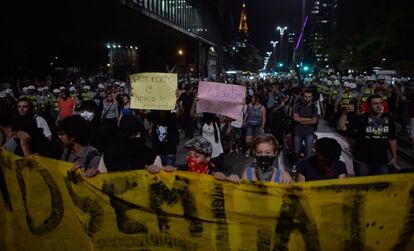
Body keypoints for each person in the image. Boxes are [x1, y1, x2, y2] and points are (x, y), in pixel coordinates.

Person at [337, 94, 397, 176]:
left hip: (381, 160)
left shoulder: (388, 120)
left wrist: (394, 157)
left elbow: (392, 139)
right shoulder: (361, 118)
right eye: (375, 104)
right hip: (362, 161)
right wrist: (345, 113)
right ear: (368, 106)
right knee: (363, 185)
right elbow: (341, 127)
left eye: (380, 103)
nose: (379, 106)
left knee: (382, 186)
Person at [97, 115, 162, 173]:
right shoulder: (109, 156)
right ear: (124, 135)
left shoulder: (152, 157)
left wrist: (156, 171)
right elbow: (98, 180)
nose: (139, 137)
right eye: (134, 135)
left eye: (141, 134)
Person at [293, 89, 318, 159]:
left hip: (309, 132)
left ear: (312, 97)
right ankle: (296, 166)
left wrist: (301, 120)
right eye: (306, 96)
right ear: (303, 97)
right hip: (298, 131)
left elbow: (314, 121)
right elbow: (295, 118)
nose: (307, 98)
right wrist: (309, 119)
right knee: (296, 151)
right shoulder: (298, 106)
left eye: (309, 97)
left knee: (308, 152)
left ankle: (307, 168)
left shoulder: (314, 108)